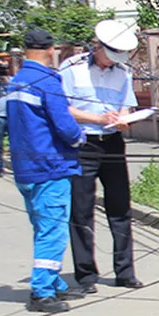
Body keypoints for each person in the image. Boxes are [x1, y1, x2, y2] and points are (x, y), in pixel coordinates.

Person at [8, 29, 95, 313]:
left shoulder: (17, 81)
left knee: (42, 227)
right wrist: (80, 138)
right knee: (53, 230)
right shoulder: (46, 81)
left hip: (25, 168)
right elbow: (64, 125)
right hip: (51, 167)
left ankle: (54, 283)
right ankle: (41, 292)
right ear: (50, 50)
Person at [59, 19, 142, 292]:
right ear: (98, 47)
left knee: (120, 206)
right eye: (110, 55)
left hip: (113, 143)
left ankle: (125, 272)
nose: (112, 61)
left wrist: (124, 120)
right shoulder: (72, 68)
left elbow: (127, 106)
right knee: (81, 210)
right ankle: (86, 276)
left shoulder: (122, 73)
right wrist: (97, 117)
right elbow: (64, 108)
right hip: (83, 144)